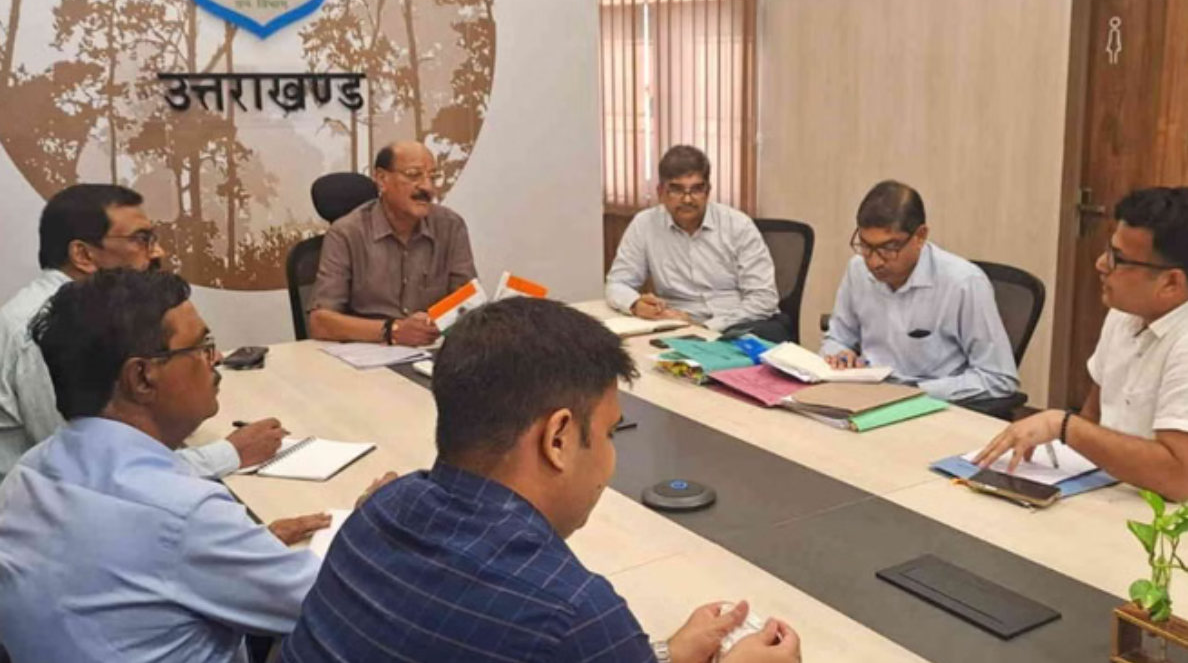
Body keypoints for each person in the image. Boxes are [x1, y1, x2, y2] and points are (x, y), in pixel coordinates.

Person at [281, 297, 802, 663]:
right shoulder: (568, 614)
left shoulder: (381, 509)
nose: (611, 457)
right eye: (609, 433)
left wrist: (662, 654)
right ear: (558, 438)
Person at [0, 269, 333, 663]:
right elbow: (338, 605)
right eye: (202, 346)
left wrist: (242, 551)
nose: (217, 359)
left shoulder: (26, 475)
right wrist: (373, 525)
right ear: (142, 377)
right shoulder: (185, 515)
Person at [0, 184, 283, 482]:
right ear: (83, 255)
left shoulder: (85, 312)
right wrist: (229, 453)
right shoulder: (42, 329)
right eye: (141, 239)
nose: (158, 252)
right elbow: (87, 467)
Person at [976, 187, 1188, 500]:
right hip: (1110, 489)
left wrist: (1064, 426)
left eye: (1118, 259)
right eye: (1108, 250)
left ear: (1171, 282)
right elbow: (1094, 416)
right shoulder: (1124, 313)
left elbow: (1180, 479)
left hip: (1164, 515)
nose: (1101, 264)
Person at [821, 180, 1019, 402]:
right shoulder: (857, 269)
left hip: (931, 402)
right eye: (866, 246)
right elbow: (837, 338)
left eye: (889, 248)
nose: (875, 262)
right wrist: (839, 355)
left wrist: (916, 392)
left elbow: (999, 378)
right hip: (866, 393)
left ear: (920, 236)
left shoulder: (964, 283)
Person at [605, 145, 785, 341]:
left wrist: (705, 327)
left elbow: (763, 298)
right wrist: (635, 304)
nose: (687, 199)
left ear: (708, 191)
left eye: (697, 189)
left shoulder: (738, 225)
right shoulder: (645, 224)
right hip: (678, 326)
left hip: (739, 326)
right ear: (661, 192)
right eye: (677, 190)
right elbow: (618, 282)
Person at [309, 141, 478, 346]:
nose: (427, 187)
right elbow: (320, 322)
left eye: (433, 176)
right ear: (382, 179)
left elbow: (469, 304)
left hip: (431, 351)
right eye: (414, 175)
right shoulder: (346, 233)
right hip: (368, 351)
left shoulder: (450, 226)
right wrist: (393, 330)